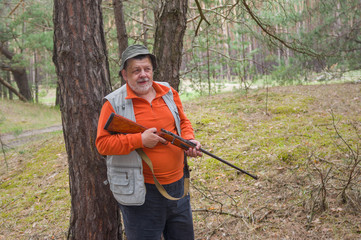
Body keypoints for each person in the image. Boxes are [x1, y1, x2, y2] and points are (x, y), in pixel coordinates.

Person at [96, 44, 202, 240]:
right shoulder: (113, 103)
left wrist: (188, 140)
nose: (143, 75)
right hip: (141, 193)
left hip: (178, 187)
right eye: (136, 71)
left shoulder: (168, 91)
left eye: (147, 69)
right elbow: (102, 144)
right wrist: (140, 140)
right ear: (125, 75)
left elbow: (183, 121)